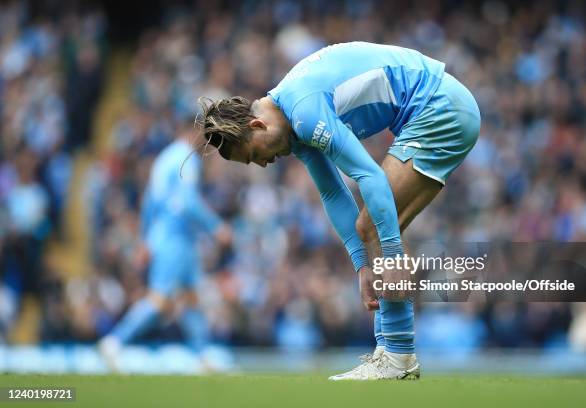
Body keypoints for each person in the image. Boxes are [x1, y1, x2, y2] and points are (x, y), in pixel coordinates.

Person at [196, 42, 480, 380]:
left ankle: (397, 356)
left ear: (257, 126)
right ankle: (394, 353)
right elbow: (332, 192)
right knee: (373, 225)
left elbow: (369, 175)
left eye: (253, 154)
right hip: (444, 106)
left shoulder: (303, 109)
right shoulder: (292, 120)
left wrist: (389, 256)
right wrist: (362, 265)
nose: (262, 164)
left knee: (374, 226)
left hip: (439, 106)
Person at [98, 127, 232, 372]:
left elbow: (149, 201)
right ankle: (115, 341)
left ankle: (203, 357)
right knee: (159, 300)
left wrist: (146, 239)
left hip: (171, 236)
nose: (209, 140)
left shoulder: (164, 159)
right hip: (175, 237)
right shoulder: (185, 158)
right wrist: (216, 226)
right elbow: (188, 200)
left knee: (191, 298)